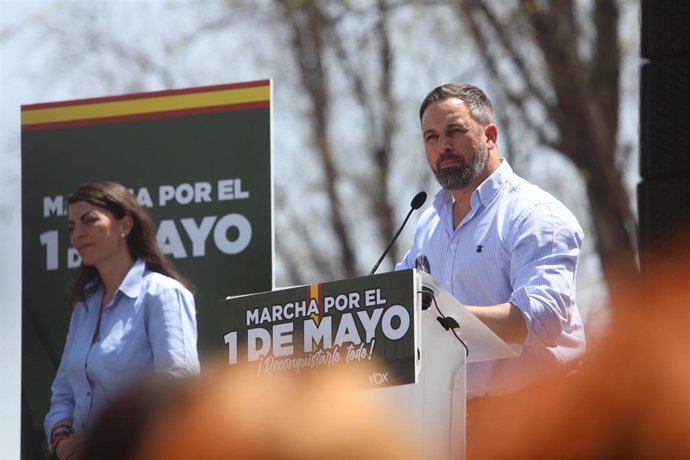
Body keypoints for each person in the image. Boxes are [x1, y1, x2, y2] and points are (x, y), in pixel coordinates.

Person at [397, 83, 586, 400]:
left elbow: (541, 320)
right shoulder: (428, 223)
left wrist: (443, 319)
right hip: (450, 422)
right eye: (431, 137)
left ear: (491, 136)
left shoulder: (534, 214)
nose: (443, 146)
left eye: (454, 132)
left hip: (538, 414)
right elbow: (395, 301)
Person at [44, 181, 200, 460]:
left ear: (125, 225)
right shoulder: (84, 308)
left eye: (89, 221)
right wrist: (62, 440)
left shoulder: (163, 294)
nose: (77, 234)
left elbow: (179, 394)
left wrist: (102, 441)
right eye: (71, 227)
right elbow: (63, 394)